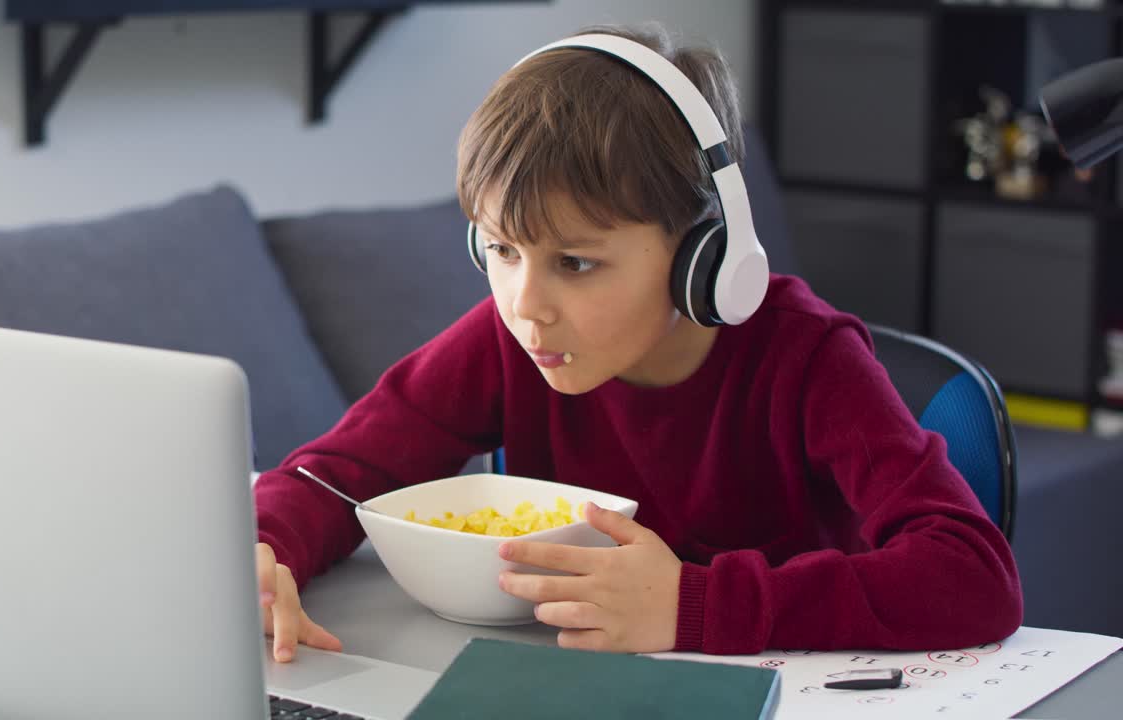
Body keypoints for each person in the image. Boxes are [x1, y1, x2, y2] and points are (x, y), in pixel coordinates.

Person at [251, 24, 1023, 664]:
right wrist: (260, 550)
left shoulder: (810, 360)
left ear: (701, 258)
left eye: (575, 262)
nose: (525, 306)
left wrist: (694, 605)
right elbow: (335, 474)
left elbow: (974, 577)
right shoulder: (508, 340)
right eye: (502, 250)